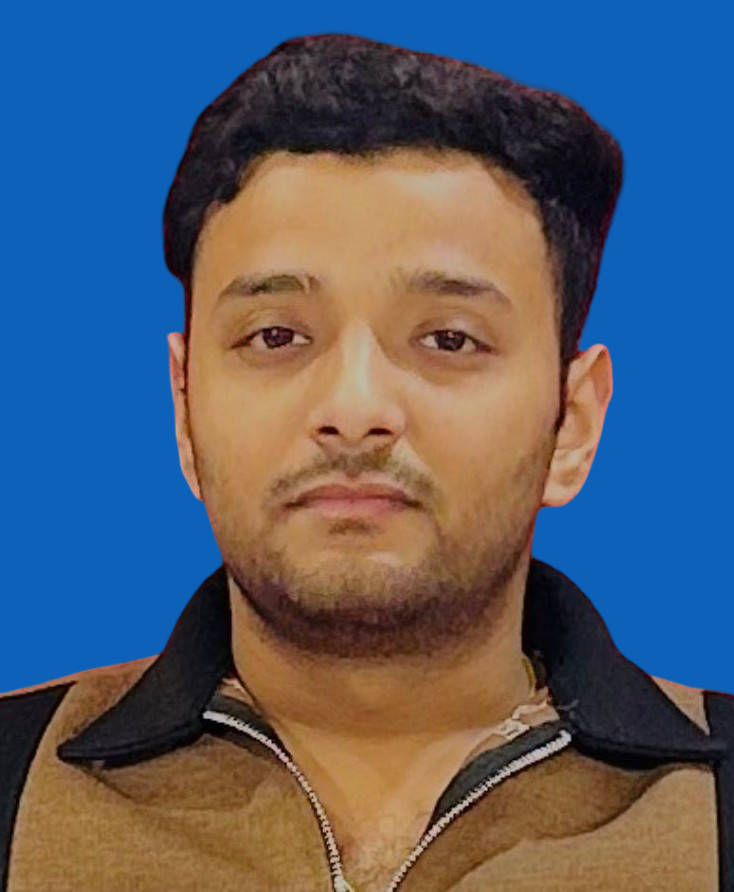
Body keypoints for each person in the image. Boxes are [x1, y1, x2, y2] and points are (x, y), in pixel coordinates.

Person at [1, 34, 732, 892]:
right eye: (276, 336)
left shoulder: (713, 811)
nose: (354, 410)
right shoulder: (17, 780)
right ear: (184, 403)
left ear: (572, 421)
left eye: (448, 339)